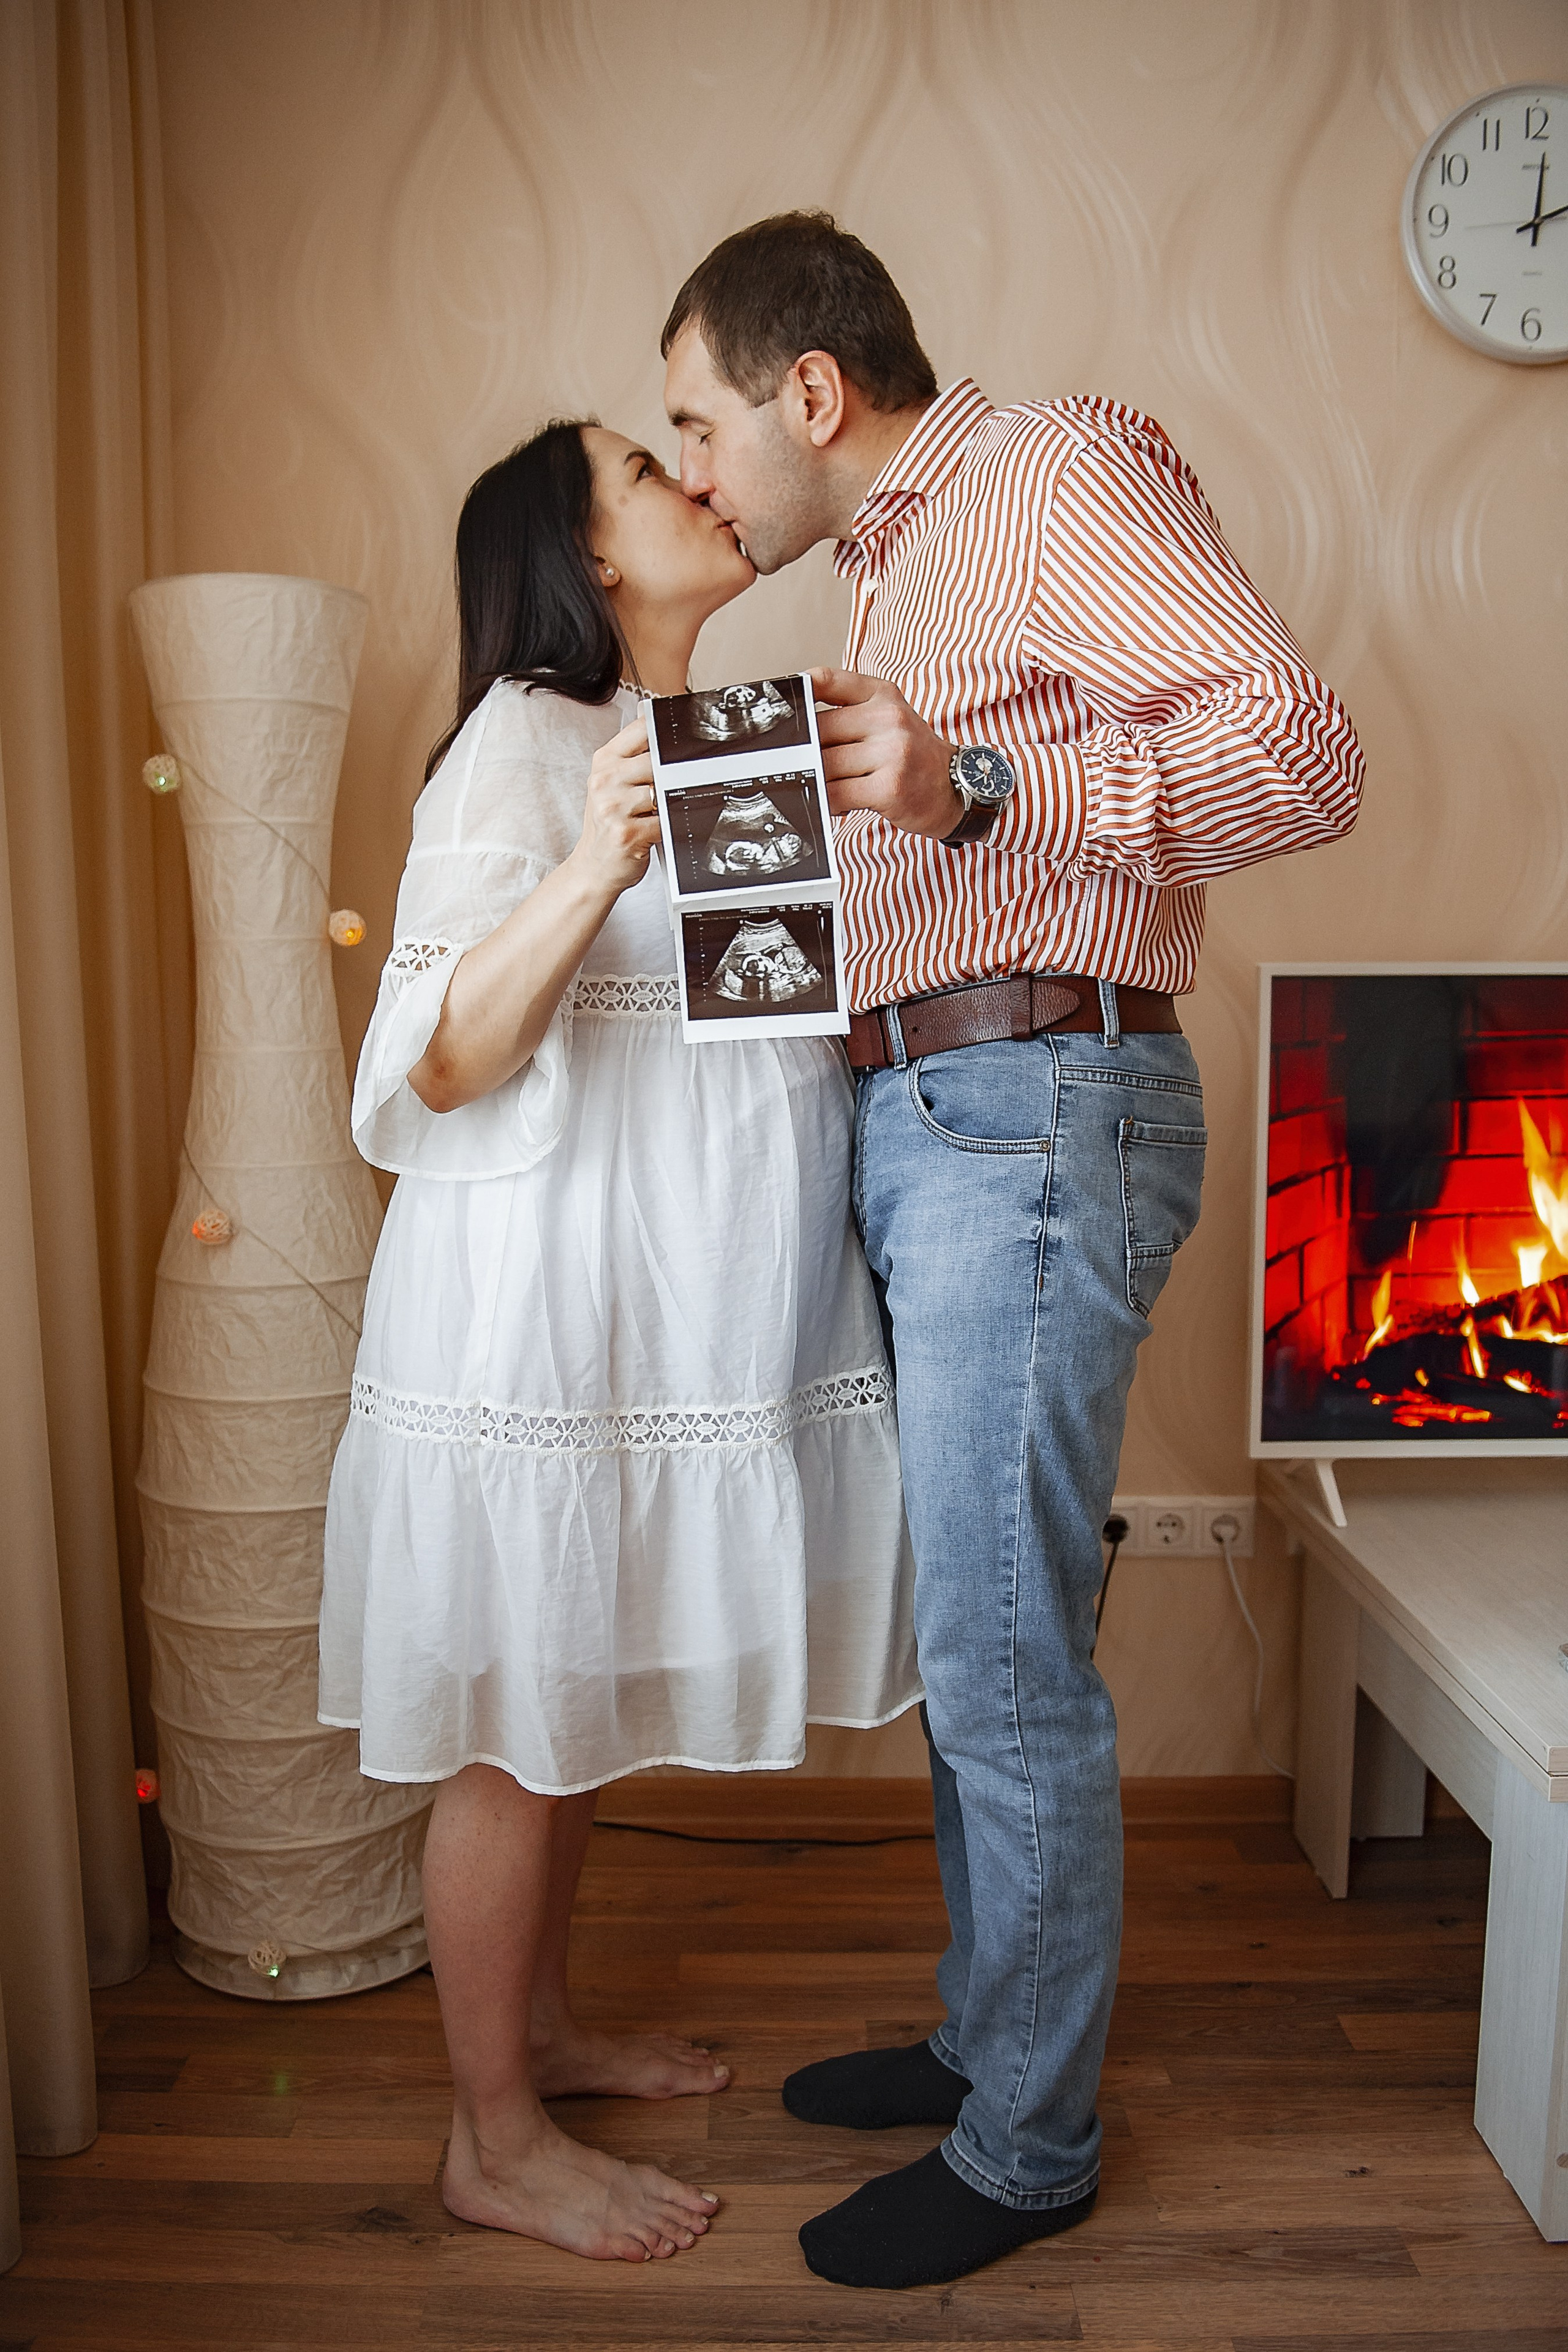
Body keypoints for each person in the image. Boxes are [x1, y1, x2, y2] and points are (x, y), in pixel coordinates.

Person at [662, 212, 1363, 2291]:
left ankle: (1032, 2146)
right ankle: (990, 2038)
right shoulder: (888, 572)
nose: (695, 472)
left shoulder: (1049, 473)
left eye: (700, 424)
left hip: (1032, 1109)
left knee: (999, 1652)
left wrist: (977, 779)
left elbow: (1307, 758)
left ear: (811, 391)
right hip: (934, 1114)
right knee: (981, 1630)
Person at [318, 417, 919, 2264]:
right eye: (649, 467)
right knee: (513, 1719)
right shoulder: (523, 739)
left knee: (566, 1703)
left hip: (672, 1320)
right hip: (535, 1316)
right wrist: (592, 860)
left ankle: (547, 2034)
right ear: (582, 557)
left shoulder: (726, 735)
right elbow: (438, 1055)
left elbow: (752, 1059)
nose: (698, 475)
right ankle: (490, 2137)